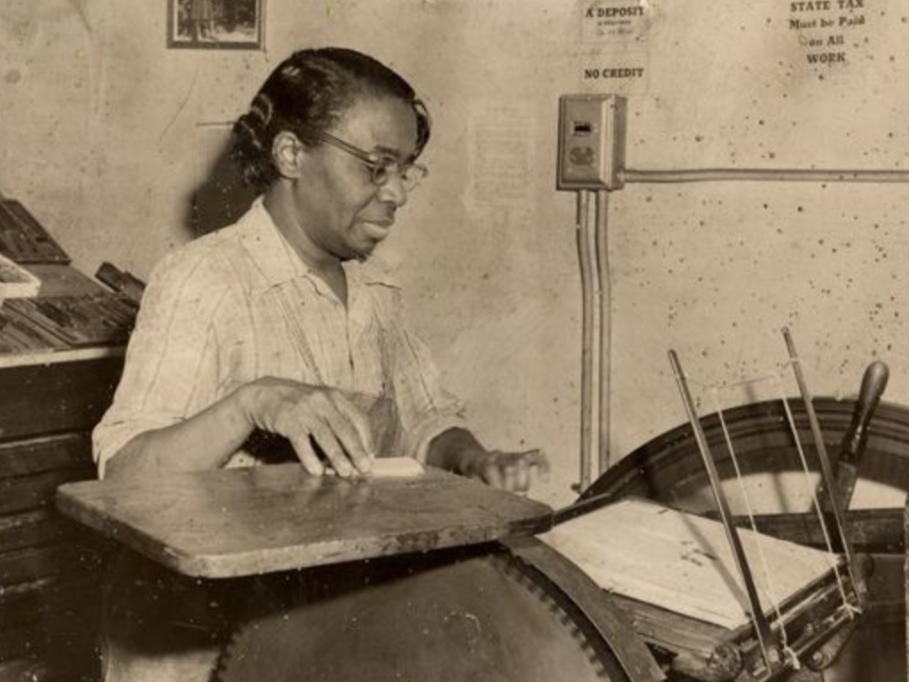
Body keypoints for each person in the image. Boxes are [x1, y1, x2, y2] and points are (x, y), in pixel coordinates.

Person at [91, 47, 548, 681]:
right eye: (375, 167)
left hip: (320, 635)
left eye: (406, 170)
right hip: (201, 645)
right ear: (289, 156)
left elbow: (427, 422)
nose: (396, 194)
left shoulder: (375, 291)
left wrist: (475, 461)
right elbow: (124, 477)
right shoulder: (204, 281)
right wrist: (253, 401)